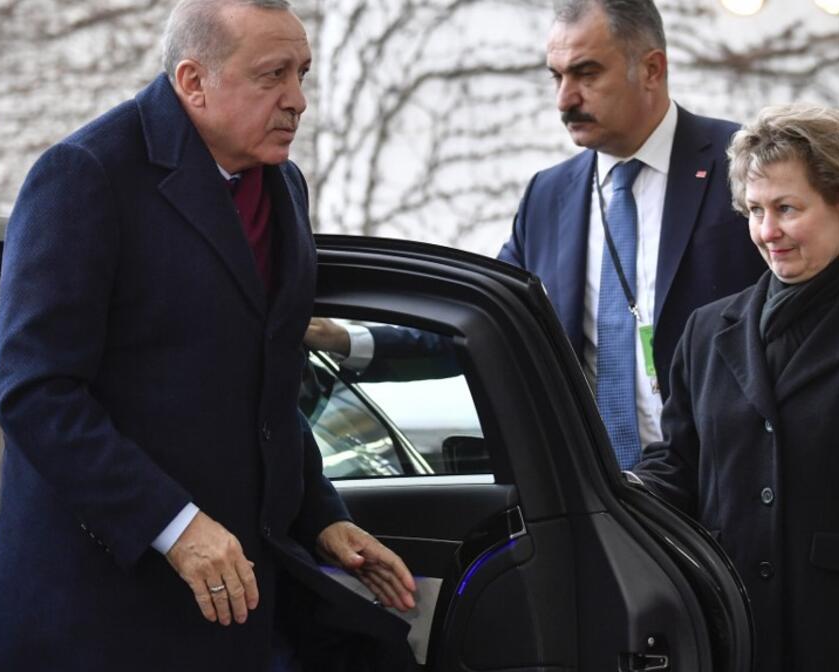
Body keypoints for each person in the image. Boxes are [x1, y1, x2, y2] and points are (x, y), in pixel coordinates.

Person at [0, 1, 417, 672]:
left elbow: (267, 390)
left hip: (236, 613)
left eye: (303, 73)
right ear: (193, 81)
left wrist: (321, 515)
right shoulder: (85, 174)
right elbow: (35, 391)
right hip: (99, 617)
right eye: (273, 75)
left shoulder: (284, 185)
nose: (297, 100)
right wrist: (173, 524)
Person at [306, 0, 764, 469]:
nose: (565, 99)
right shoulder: (549, 197)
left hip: (727, 485)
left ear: (651, 69)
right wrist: (342, 337)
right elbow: (481, 322)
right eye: (557, 76)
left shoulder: (740, 169)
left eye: (587, 74)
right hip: (601, 500)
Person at [632, 104, 839, 672]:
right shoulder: (708, 330)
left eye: (787, 208)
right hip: (736, 640)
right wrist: (611, 493)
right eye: (756, 210)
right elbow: (680, 468)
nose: (768, 232)